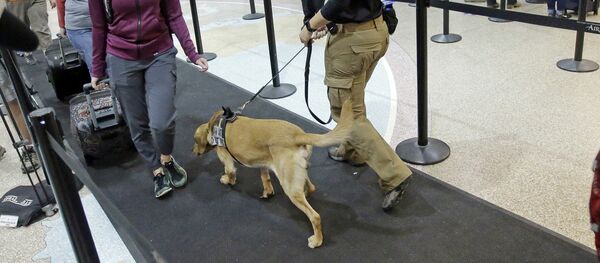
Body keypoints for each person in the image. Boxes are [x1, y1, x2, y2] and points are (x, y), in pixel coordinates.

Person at [299, 0, 413, 211]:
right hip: (376, 31)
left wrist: (310, 25)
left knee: (346, 113)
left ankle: (394, 175)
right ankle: (353, 151)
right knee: (353, 101)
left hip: (353, 40)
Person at [89, 0, 210, 198]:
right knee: (137, 122)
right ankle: (156, 169)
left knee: (162, 122)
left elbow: (174, 15)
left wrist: (192, 53)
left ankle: (166, 157)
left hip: (159, 52)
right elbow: (98, 26)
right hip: (120, 56)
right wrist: (97, 67)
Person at [56, 0, 92, 73]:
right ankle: (100, 81)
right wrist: (62, 25)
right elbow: (60, 2)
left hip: (105, 23)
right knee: (92, 54)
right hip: (79, 27)